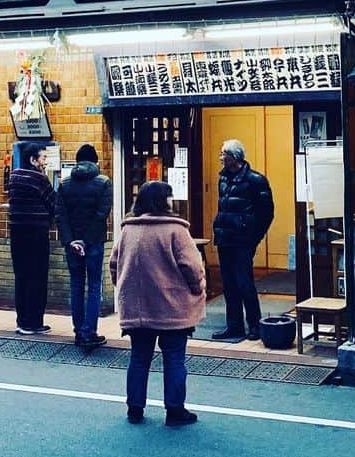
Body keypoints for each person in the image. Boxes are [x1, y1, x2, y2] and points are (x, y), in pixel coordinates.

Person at [110, 181, 205, 427]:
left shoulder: (128, 229)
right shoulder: (175, 230)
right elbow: (192, 268)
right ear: (163, 201)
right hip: (171, 307)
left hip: (137, 309)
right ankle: (174, 411)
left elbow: (114, 264)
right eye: (170, 196)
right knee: (174, 358)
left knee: (139, 357)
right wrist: (197, 289)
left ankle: (135, 408)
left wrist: (124, 288)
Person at [211, 139, 274, 341]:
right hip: (224, 238)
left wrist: (253, 238)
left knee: (244, 283)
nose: (221, 158)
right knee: (228, 285)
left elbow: (266, 213)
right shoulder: (223, 179)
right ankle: (234, 326)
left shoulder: (256, 180)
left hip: (242, 241)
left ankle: (254, 325)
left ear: (234, 157)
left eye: (224, 154)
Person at [57, 143, 113, 347]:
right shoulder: (104, 182)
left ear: (77, 160)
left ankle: (79, 331)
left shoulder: (65, 184)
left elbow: (61, 215)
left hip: (72, 244)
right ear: (96, 161)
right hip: (94, 242)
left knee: (76, 285)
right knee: (94, 286)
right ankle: (90, 331)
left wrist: (72, 240)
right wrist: (86, 240)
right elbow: (101, 214)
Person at [7, 141, 56, 335]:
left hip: (16, 232)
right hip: (36, 233)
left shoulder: (14, 176)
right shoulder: (38, 178)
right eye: (43, 158)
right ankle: (34, 322)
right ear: (33, 159)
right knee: (37, 276)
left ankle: (22, 320)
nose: (45, 162)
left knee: (21, 276)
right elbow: (53, 202)